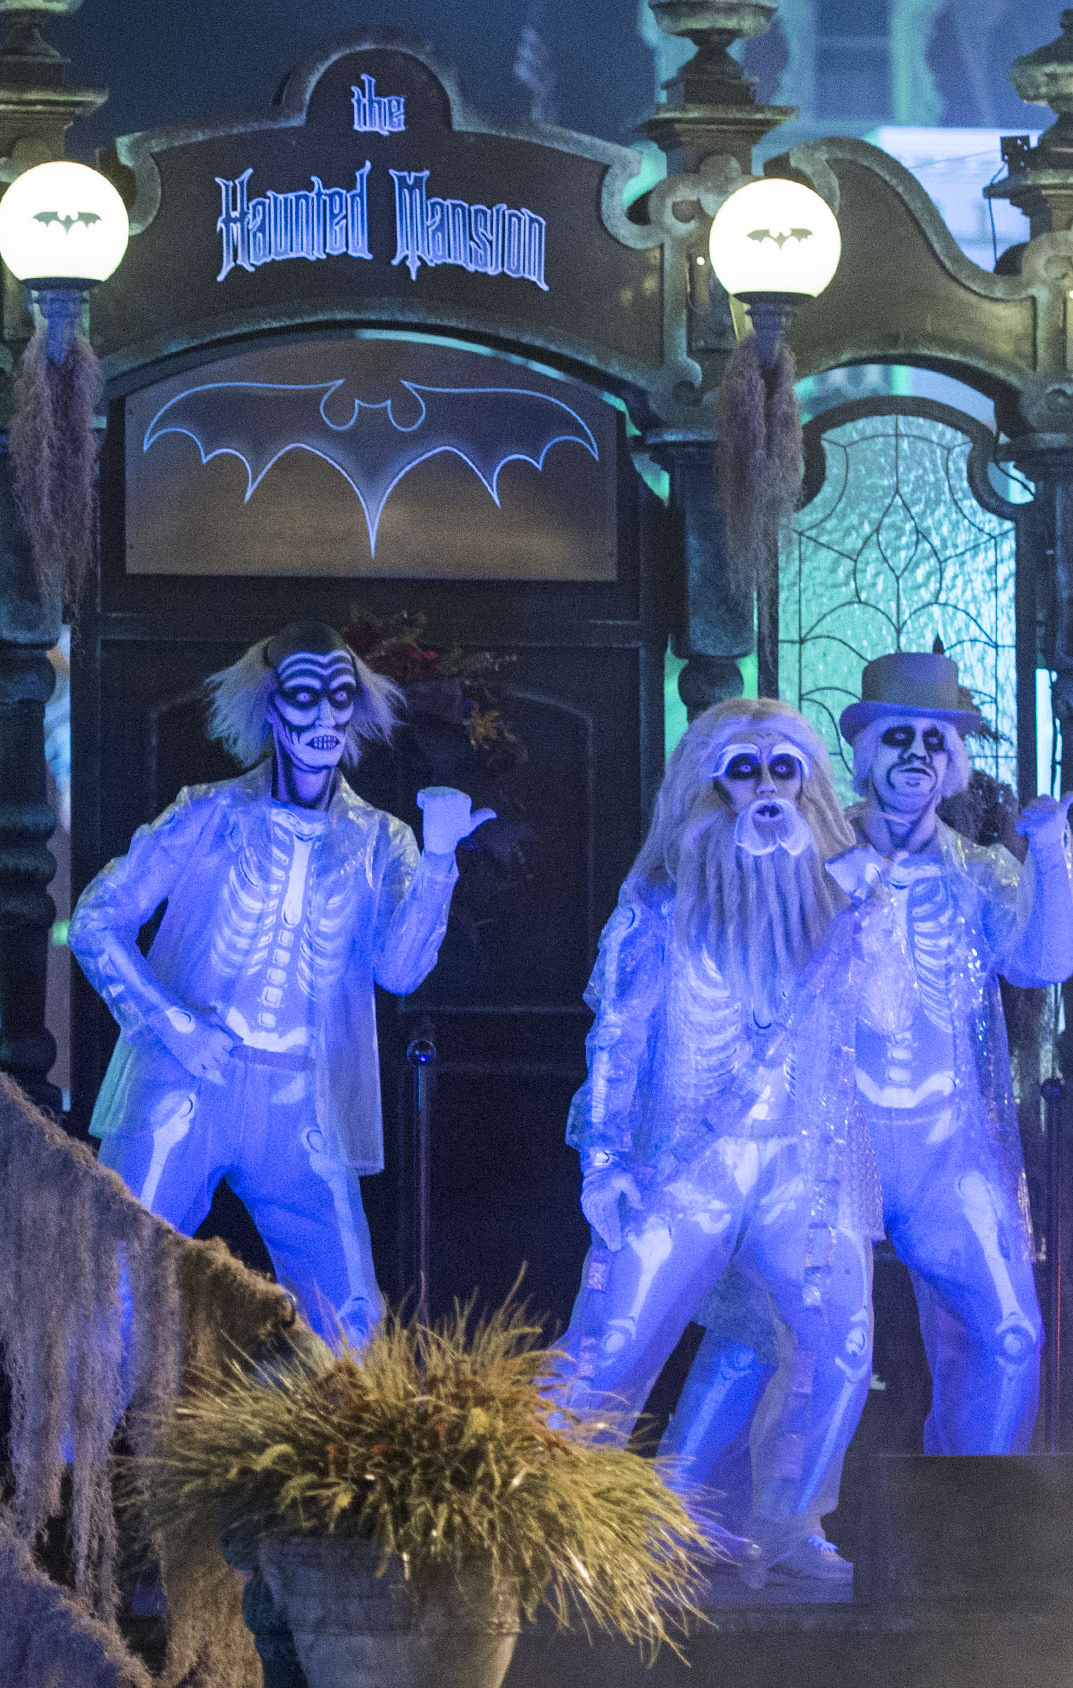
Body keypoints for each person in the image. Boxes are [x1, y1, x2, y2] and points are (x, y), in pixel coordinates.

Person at [664, 655, 1073, 1532]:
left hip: (947, 1152)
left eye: (934, 740)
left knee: (1010, 1334)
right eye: (899, 737)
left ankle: (969, 1532)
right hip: (826, 1145)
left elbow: (1043, 959)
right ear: (861, 752)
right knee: (769, 1335)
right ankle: (699, 1528)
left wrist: (1050, 849)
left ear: (953, 761)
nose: (917, 756)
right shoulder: (807, 855)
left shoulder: (978, 872)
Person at [70, 620, 490, 1344]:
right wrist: (172, 1025)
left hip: (302, 1099)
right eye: (303, 695)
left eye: (339, 696)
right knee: (115, 1287)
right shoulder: (207, 812)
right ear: (270, 706)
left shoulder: (382, 839)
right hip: (183, 1082)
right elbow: (95, 920)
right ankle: (77, 1422)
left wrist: (440, 860)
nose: (324, 714)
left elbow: (399, 969)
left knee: (352, 1318)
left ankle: (335, 1425)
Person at [550, 697, 886, 1586]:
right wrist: (604, 1161)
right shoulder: (658, 908)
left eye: (785, 770)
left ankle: (788, 1524)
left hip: (802, 1167)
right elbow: (617, 1040)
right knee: (611, 1344)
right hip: (682, 1165)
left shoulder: (840, 905)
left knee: (843, 1340)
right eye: (745, 770)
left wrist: (873, 922)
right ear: (710, 785)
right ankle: (540, 1526)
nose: (767, 789)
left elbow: (886, 1022)